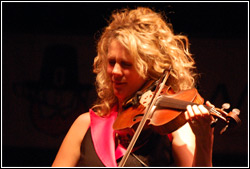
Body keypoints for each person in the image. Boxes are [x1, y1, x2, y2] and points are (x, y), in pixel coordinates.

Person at [52, 7, 214, 167]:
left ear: (150, 68)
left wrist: (204, 143)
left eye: (126, 64)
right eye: (111, 62)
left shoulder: (174, 131)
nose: (115, 71)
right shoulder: (84, 125)